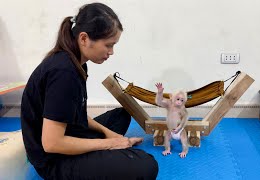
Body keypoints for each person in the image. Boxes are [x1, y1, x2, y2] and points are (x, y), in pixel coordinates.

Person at [20, 2, 158, 180]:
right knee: (146, 166)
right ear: (84, 39)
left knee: (121, 116)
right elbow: (52, 143)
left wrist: (109, 133)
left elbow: (76, 112)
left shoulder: (77, 63)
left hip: (68, 133)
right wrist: (108, 143)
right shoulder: (64, 72)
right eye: (108, 45)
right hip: (54, 160)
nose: (111, 52)